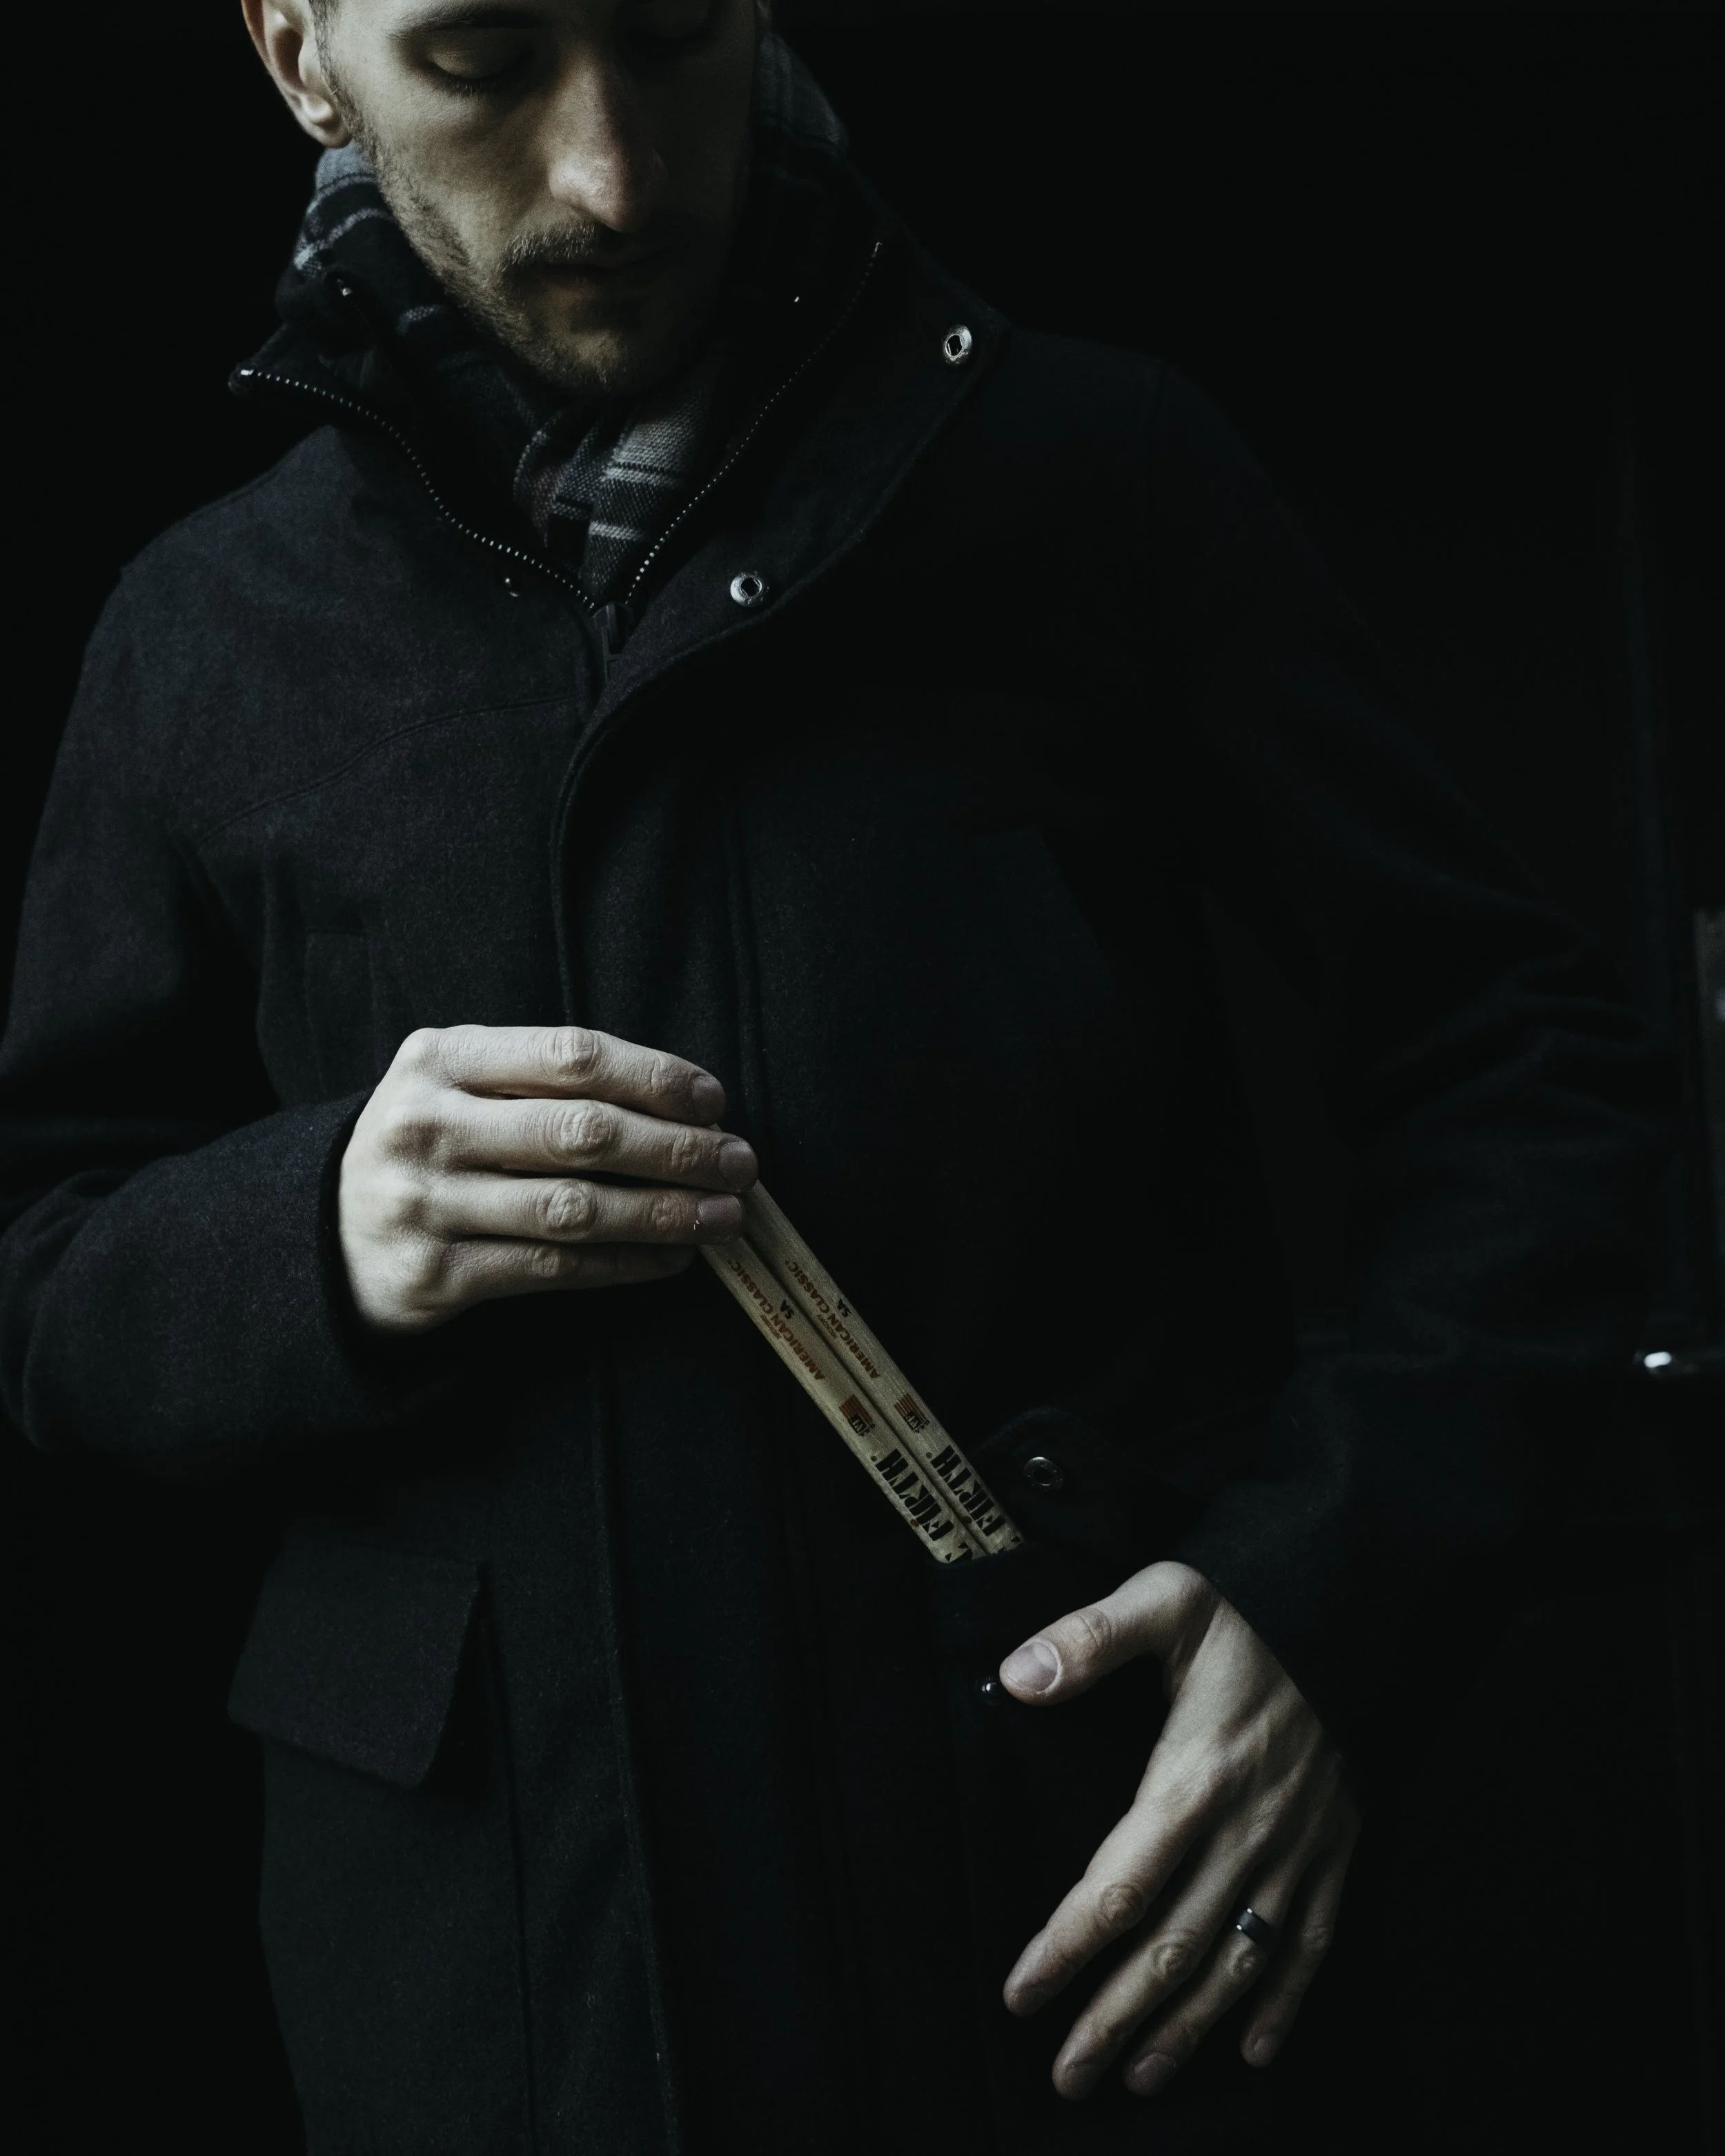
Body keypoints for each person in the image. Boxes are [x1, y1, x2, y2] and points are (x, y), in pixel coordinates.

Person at [0, 3, 1667, 2150]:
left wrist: (1336, 1601)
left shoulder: (1099, 482)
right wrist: (315, 1231)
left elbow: (1522, 1065)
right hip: (492, 2001)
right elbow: (39, 1266)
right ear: (301, 52)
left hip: (1087, 1931)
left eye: (674, 38)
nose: (609, 176)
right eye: (483, 60)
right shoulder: (195, 631)